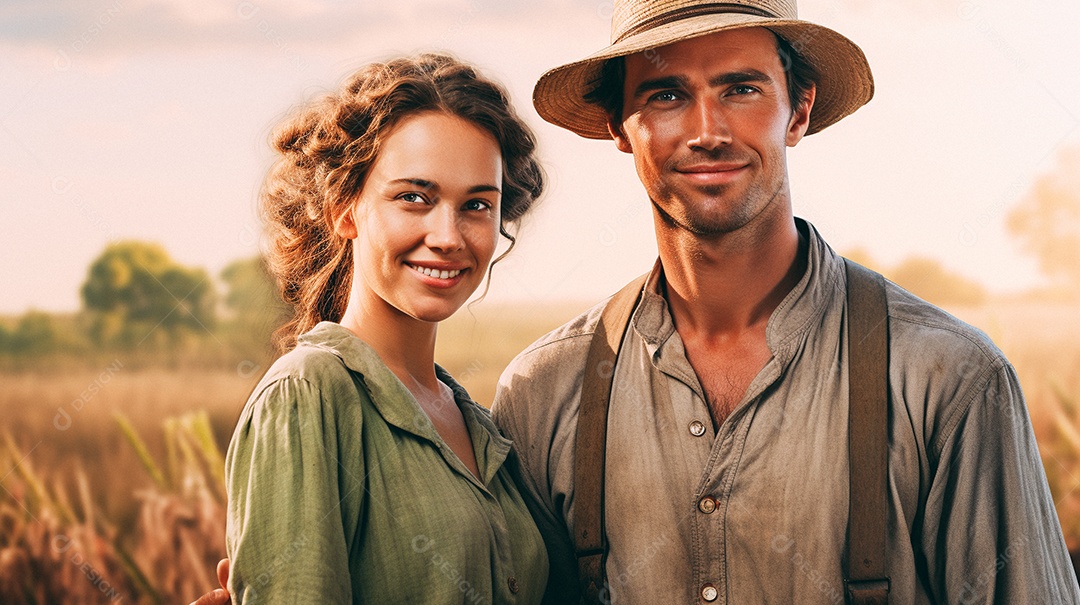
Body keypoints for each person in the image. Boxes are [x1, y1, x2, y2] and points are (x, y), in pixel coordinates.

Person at [490, 0, 1080, 603]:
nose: (707, 132)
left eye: (740, 89)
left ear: (798, 111)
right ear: (620, 125)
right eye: (666, 95)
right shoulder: (544, 392)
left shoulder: (948, 379)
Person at [209, 53, 548, 604]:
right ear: (345, 208)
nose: (448, 236)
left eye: (477, 204)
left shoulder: (479, 424)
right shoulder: (307, 395)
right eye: (414, 197)